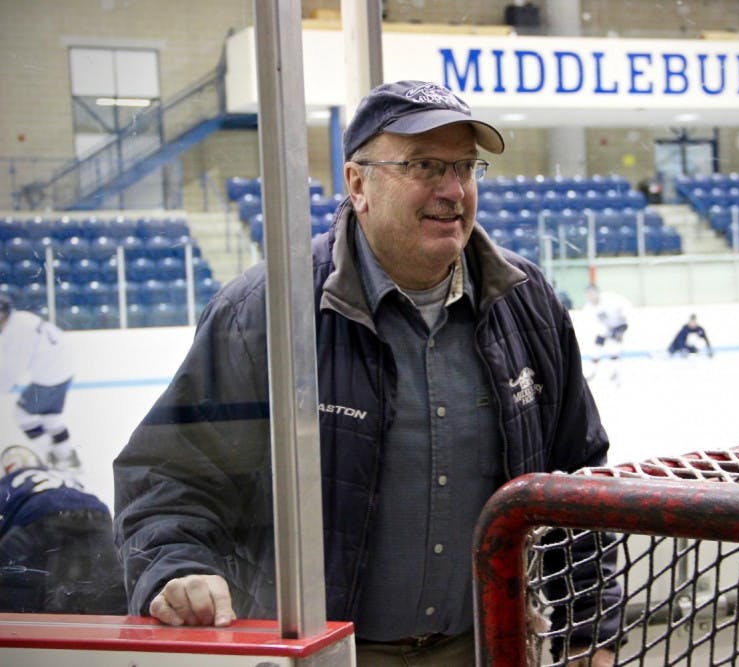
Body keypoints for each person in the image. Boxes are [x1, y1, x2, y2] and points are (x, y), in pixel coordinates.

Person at [113, 80, 619, 666]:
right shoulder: (267, 312)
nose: (453, 190)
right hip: (323, 656)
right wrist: (177, 568)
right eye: (424, 165)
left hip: (486, 648)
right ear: (358, 185)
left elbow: (577, 482)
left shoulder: (526, 303)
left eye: (465, 166)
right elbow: (169, 477)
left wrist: (589, 634)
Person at [0, 444, 125, 613]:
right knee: (108, 587)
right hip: (96, 513)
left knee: (15, 589)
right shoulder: (61, 477)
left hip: (37, 516)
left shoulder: (9, 482)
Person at [0, 294, 80, 470]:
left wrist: (3, 386)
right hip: (64, 369)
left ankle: (51, 456)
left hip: (49, 375)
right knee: (51, 417)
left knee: (21, 414)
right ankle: (66, 456)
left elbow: (13, 368)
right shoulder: (22, 318)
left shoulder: (14, 330)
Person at [581, 283, 630, 383]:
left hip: (619, 326)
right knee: (596, 350)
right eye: (588, 294)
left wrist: (622, 327)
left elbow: (623, 310)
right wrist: (604, 332)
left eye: (592, 293)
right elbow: (593, 324)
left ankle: (617, 373)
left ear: (597, 292)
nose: (590, 296)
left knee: (614, 349)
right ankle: (592, 372)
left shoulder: (609, 299)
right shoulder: (588, 308)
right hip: (605, 329)